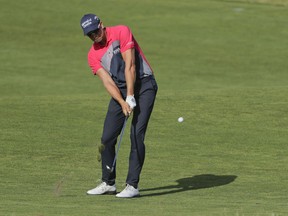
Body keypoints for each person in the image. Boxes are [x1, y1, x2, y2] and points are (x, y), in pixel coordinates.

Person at [80, 14, 158, 198]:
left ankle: (132, 185)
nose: (95, 36)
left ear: (101, 24)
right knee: (106, 138)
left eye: (96, 30)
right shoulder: (93, 55)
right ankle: (108, 182)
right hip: (121, 90)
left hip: (145, 84)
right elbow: (107, 82)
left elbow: (130, 65)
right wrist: (123, 101)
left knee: (136, 133)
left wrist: (131, 95)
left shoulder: (122, 31)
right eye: (90, 35)